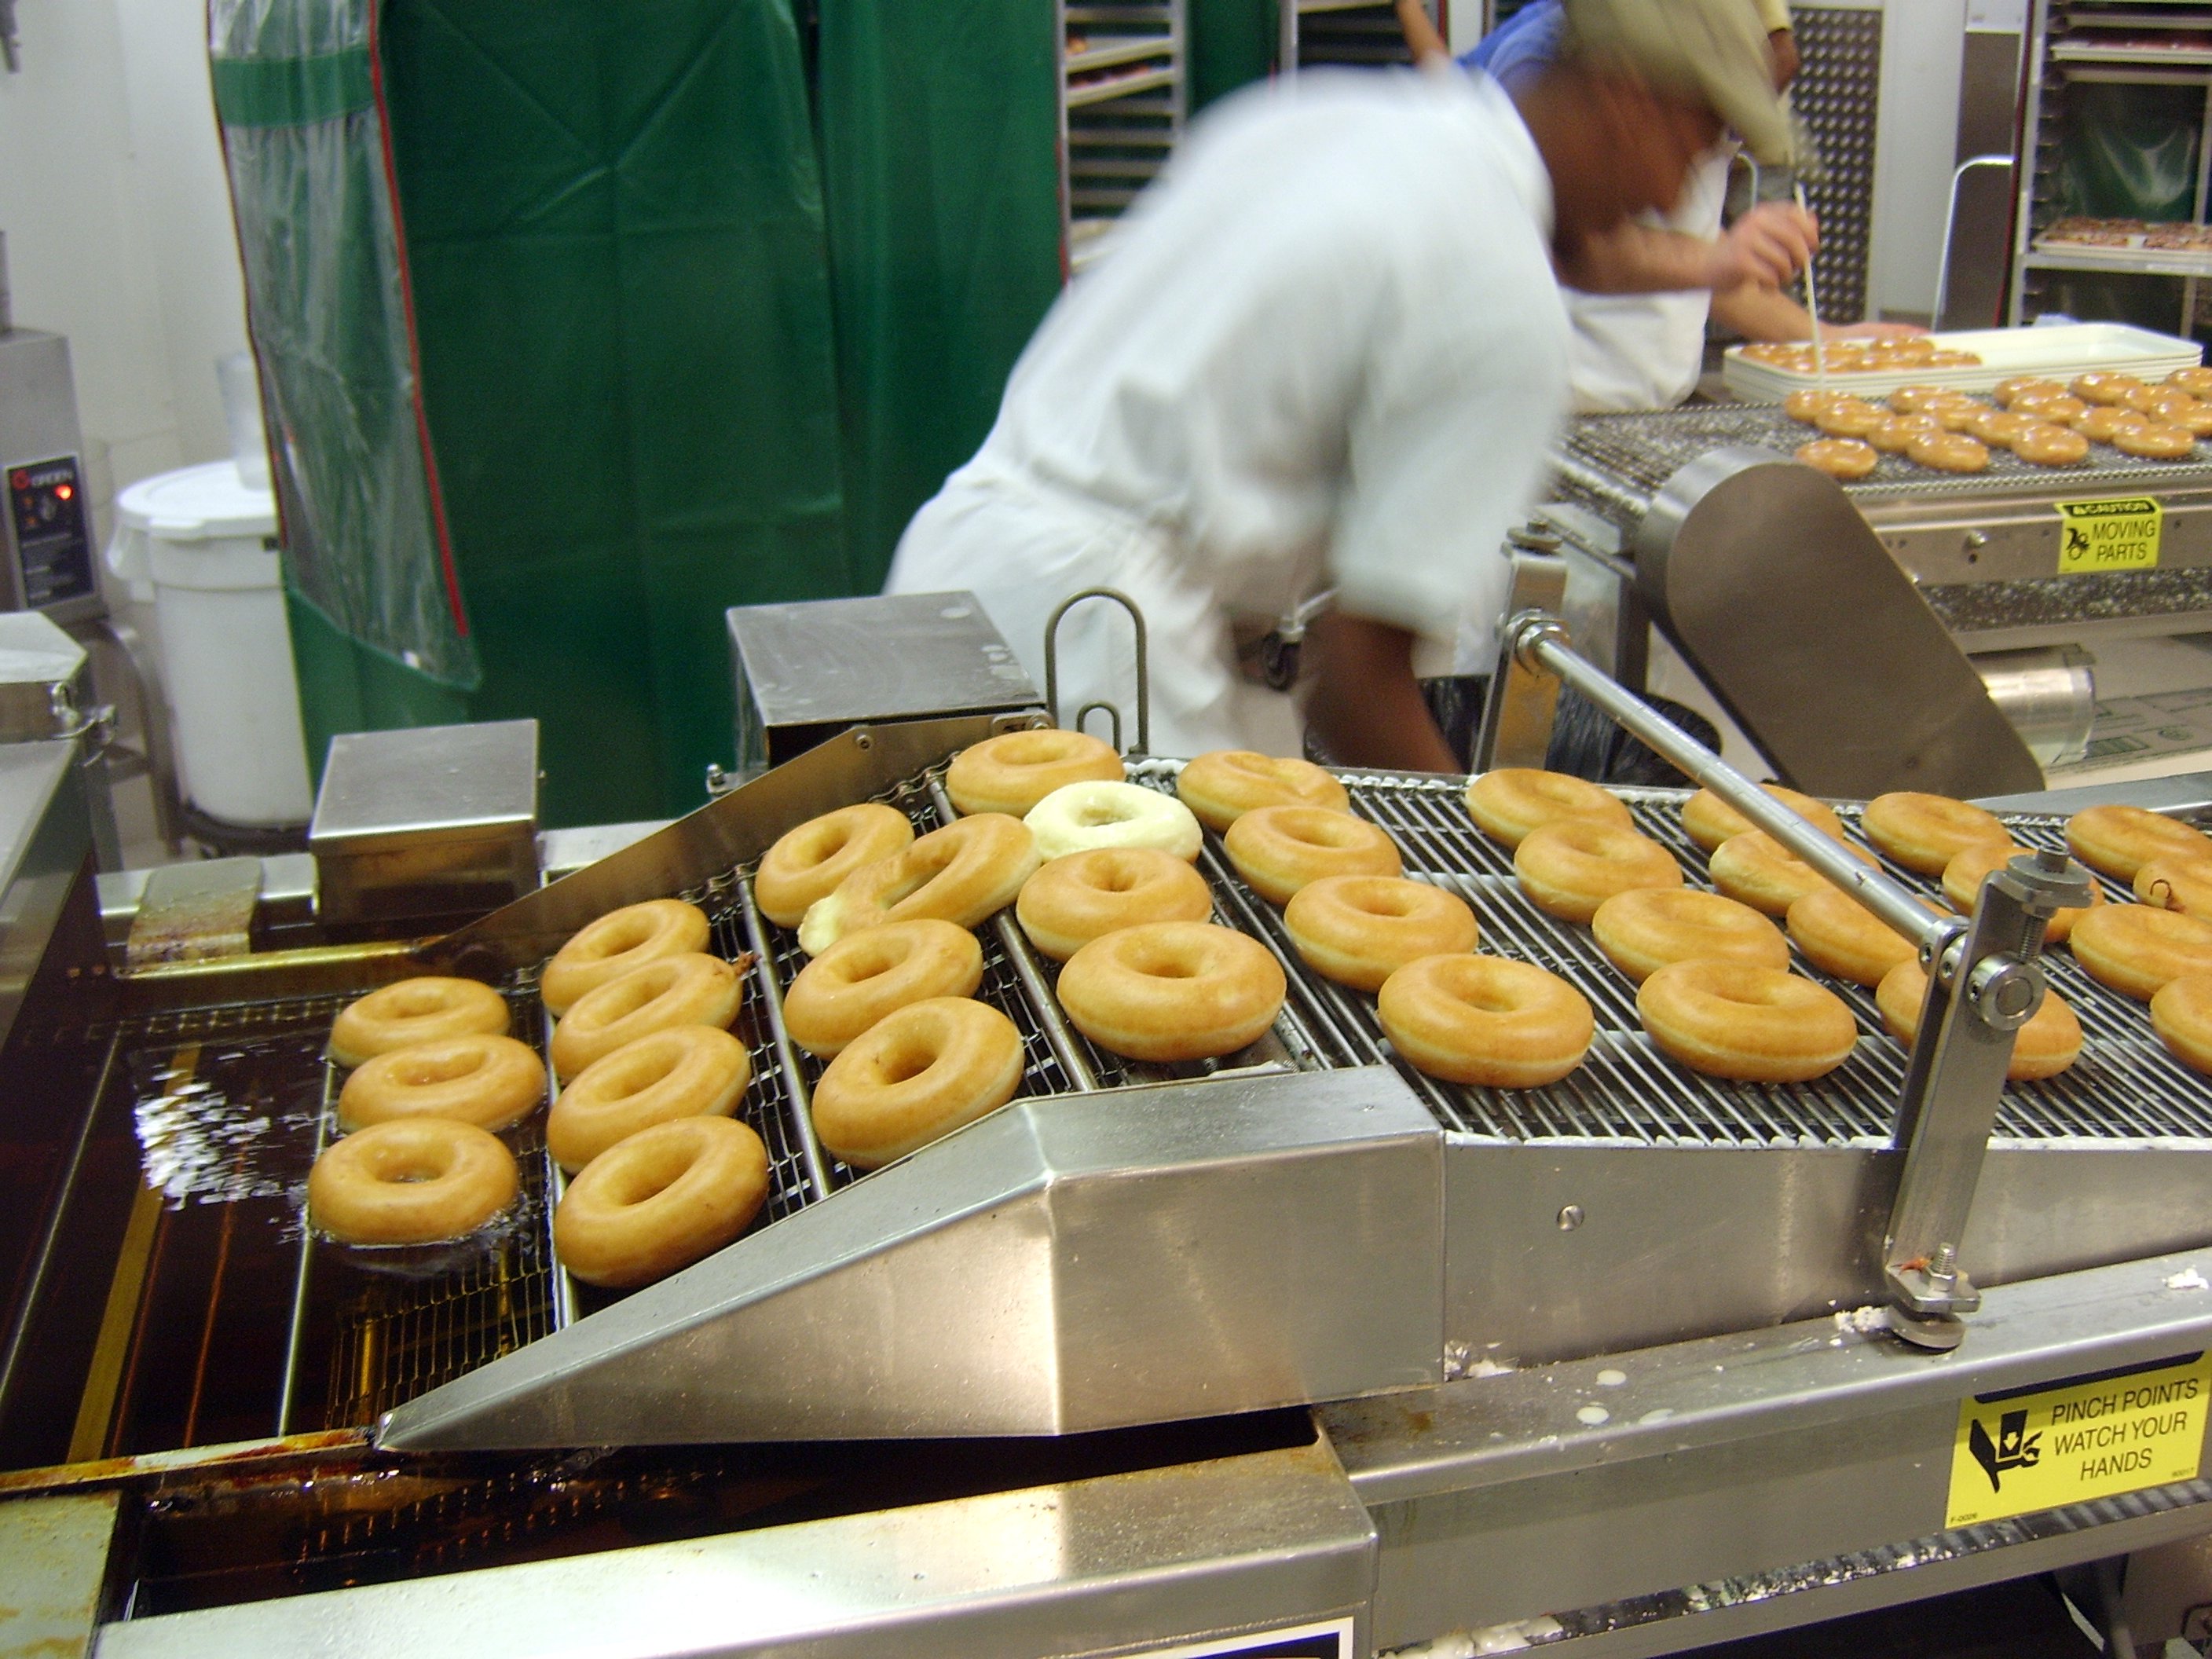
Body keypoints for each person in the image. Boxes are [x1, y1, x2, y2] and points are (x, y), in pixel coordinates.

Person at [885, 0, 1795, 771]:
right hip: (1099, 672)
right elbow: (1360, 687)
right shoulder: (1496, 282)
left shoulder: (1329, 120)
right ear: (1631, 98)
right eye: (1695, 143)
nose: (1676, 186)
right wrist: (1471, 887)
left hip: (958, 587)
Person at [1441, 0, 1921, 412]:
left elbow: (1699, 268)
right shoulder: (1537, 68)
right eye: (1691, 150)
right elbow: (1573, 243)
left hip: (1646, 411)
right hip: (1550, 409)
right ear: (1624, 102)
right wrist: (1719, 257)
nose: (1674, 201)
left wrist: (1823, 340)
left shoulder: (1679, 82)